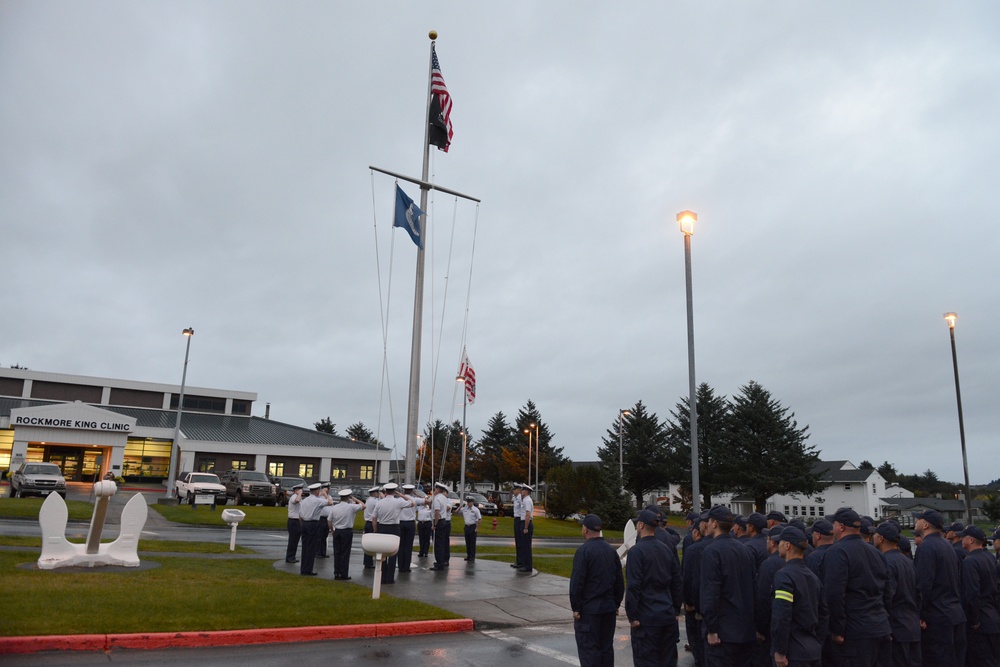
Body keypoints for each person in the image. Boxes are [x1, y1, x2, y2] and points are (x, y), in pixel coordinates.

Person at [822, 507, 891, 666]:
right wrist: (886, 619)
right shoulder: (876, 552)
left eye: (834, 524)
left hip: (855, 632)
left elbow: (833, 594)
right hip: (880, 626)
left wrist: (837, 629)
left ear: (840, 527)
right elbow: (887, 591)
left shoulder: (837, 552)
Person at [700, 504, 757, 666]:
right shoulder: (744, 549)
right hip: (744, 630)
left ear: (714, 524)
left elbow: (710, 593)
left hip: (723, 633)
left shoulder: (712, 551)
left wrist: (711, 629)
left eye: (709, 521)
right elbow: (753, 588)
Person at [626, 508, 682, 667]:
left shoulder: (636, 551)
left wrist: (633, 615)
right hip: (666, 614)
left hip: (646, 618)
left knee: (646, 660)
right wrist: (676, 609)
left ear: (641, 525)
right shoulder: (666, 548)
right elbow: (676, 581)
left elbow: (633, 586)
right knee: (667, 660)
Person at [912, 508, 966, 666]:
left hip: (938, 617)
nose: (916, 521)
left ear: (926, 525)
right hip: (954, 613)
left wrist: (920, 614)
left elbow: (923, 584)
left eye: (919, 519)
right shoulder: (946, 544)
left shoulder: (927, 546)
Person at [570, 513, 625, 667]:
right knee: (606, 648)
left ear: (586, 529)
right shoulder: (610, 550)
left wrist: (576, 607)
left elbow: (577, 582)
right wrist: (616, 603)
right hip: (608, 608)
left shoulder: (583, 551)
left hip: (589, 610)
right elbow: (619, 581)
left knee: (589, 650)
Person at [770, 526, 828, 667]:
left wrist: (780, 651)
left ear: (788, 545)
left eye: (781, 542)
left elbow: (782, 616)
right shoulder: (812, 577)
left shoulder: (784, 576)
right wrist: (817, 642)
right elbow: (824, 614)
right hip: (811, 649)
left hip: (793, 652)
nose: (779, 545)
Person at [873, 521, 922, 667]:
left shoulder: (886, 562)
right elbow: (919, 593)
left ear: (881, 538)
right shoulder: (907, 561)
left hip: (896, 627)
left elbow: (887, 596)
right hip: (912, 625)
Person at [959, 525, 1000, 667]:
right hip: (992, 616)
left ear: (970, 540)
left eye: (963, 537)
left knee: (980, 660)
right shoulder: (989, 557)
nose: (961, 539)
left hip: (981, 620)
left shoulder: (970, 561)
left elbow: (972, 594)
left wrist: (974, 620)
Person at [753, 526, 786, 667]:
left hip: (771, 626)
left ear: (772, 543)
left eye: (767, 539)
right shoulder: (791, 561)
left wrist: (760, 628)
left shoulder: (768, 565)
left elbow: (763, 599)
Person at [682, 511, 711, 667]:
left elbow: (689, 579)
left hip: (700, 608)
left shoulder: (695, 549)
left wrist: (689, 602)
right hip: (726, 612)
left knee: (700, 647)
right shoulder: (739, 547)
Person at [371, 482, 414, 584]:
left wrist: (375, 529)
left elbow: (374, 518)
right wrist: (402, 495)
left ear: (385, 491)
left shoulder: (379, 502)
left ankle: (382, 577)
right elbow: (412, 503)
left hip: (382, 526)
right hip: (394, 527)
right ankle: (390, 577)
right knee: (393, 553)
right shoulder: (398, 502)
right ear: (394, 491)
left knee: (383, 553)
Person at [299, 482, 333, 576]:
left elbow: (300, 515)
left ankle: (303, 568)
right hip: (313, 524)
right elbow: (330, 502)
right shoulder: (317, 501)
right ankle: (308, 570)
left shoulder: (305, 500)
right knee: (311, 548)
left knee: (305, 547)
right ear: (317, 491)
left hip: (304, 523)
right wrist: (325, 494)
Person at [330, 488, 363, 580]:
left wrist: (332, 530)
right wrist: (355, 500)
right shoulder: (351, 507)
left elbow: (329, 520)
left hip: (337, 530)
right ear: (348, 497)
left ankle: (337, 573)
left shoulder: (334, 507)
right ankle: (344, 573)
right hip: (346, 531)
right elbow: (363, 506)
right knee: (345, 553)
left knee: (337, 552)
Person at [396, 483, 424, 573]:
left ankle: (400, 566)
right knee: (408, 546)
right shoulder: (414, 500)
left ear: (404, 490)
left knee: (401, 545)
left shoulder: (399, 500)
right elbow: (427, 501)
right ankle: (406, 566)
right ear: (412, 491)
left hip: (401, 522)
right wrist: (417, 495)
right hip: (410, 523)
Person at [431, 481, 453, 570]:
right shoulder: (444, 498)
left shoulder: (437, 499)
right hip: (444, 521)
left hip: (439, 521)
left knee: (438, 544)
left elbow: (437, 512)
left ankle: (439, 563)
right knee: (442, 542)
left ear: (437, 489)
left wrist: (435, 524)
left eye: (435, 488)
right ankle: (441, 561)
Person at [284, 482, 304, 563]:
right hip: (293, 521)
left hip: (297, 521)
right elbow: (297, 500)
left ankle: (292, 556)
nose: (301, 491)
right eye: (300, 489)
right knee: (292, 540)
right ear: (296, 490)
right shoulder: (294, 497)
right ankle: (289, 557)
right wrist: (299, 494)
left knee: (295, 541)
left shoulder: (297, 496)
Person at [517, 484, 534, 572]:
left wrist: (526, 527)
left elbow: (528, 514)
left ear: (527, 492)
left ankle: (528, 566)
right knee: (523, 545)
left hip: (526, 523)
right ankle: (524, 564)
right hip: (523, 522)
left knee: (526, 546)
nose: (522, 491)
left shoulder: (527, 501)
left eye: (523, 490)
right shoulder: (525, 500)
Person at [363, 486, 381, 570]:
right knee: (372, 545)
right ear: (375, 493)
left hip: (368, 523)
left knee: (368, 544)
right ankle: (369, 563)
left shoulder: (368, 500)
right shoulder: (375, 501)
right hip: (372, 523)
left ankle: (367, 562)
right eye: (378, 492)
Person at [461, 496, 482, 561]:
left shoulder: (475, 509)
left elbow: (480, 519)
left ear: (472, 502)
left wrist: (477, 528)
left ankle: (472, 556)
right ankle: (468, 555)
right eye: (467, 502)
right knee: (467, 542)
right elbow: (456, 512)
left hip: (473, 526)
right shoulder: (465, 509)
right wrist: (460, 506)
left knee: (472, 543)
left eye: (469, 502)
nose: (468, 503)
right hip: (466, 526)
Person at [510, 482, 524, 569]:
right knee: (517, 542)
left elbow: (523, 509)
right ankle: (518, 561)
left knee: (520, 541)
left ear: (519, 490)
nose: (513, 491)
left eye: (515, 489)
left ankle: (521, 561)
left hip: (519, 519)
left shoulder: (520, 498)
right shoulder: (515, 498)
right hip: (516, 519)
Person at [317, 482, 333, 559]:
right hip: (320, 518)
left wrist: (326, 495)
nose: (328, 490)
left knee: (324, 536)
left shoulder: (329, 497)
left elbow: (331, 503)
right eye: (327, 489)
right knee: (319, 536)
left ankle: (323, 552)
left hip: (327, 518)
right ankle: (318, 552)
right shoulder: (320, 497)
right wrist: (322, 494)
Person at [416, 493, 433, 558]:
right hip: (420, 523)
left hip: (427, 523)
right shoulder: (419, 508)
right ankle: (421, 551)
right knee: (421, 538)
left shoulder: (429, 508)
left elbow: (432, 516)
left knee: (427, 538)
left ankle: (426, 552)